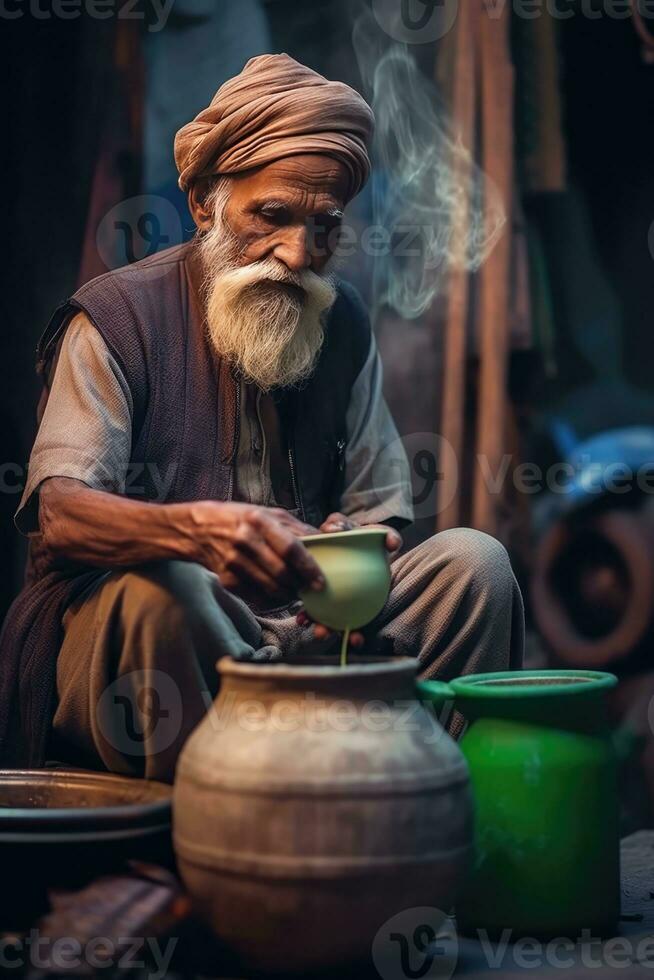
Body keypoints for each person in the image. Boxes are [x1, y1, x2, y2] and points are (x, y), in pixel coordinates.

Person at [0, 54, 523, 781]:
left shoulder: (340, 325)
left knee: (475, 567)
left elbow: (383, 519)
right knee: (171, 590)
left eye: (324, 227)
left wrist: (350, 545)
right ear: (206, 204)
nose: (296, 254)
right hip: (159, 637)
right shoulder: (117, 319)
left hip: (303, 627)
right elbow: (60, 514)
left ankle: (404, 804)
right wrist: (198, 534)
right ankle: (206, 846)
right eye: (272, 216)